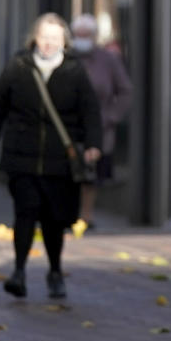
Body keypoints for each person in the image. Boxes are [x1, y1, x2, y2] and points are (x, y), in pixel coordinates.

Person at [0, 13, 102, 299]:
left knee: (54, 220)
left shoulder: (74, 71)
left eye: (55, 39)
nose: (48, 44)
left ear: (65, 43)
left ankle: (55, 271)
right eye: (44, 38)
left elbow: (90, 110)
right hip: (22, 155)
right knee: (25, 211)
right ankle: (19, 272)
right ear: (34, 38)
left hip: (60, 159)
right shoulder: (18, 67)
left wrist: (93, 144)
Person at [70, 14, 131, 230]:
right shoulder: (66, 58)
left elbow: (124, 91)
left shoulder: (108, 60)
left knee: (91, 176)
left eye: (87, 35)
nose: (83, 38)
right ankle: (68, 213)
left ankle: (86, 216)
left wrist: (111, 117)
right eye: (79, 34)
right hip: (69, 128)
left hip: (100, 128)